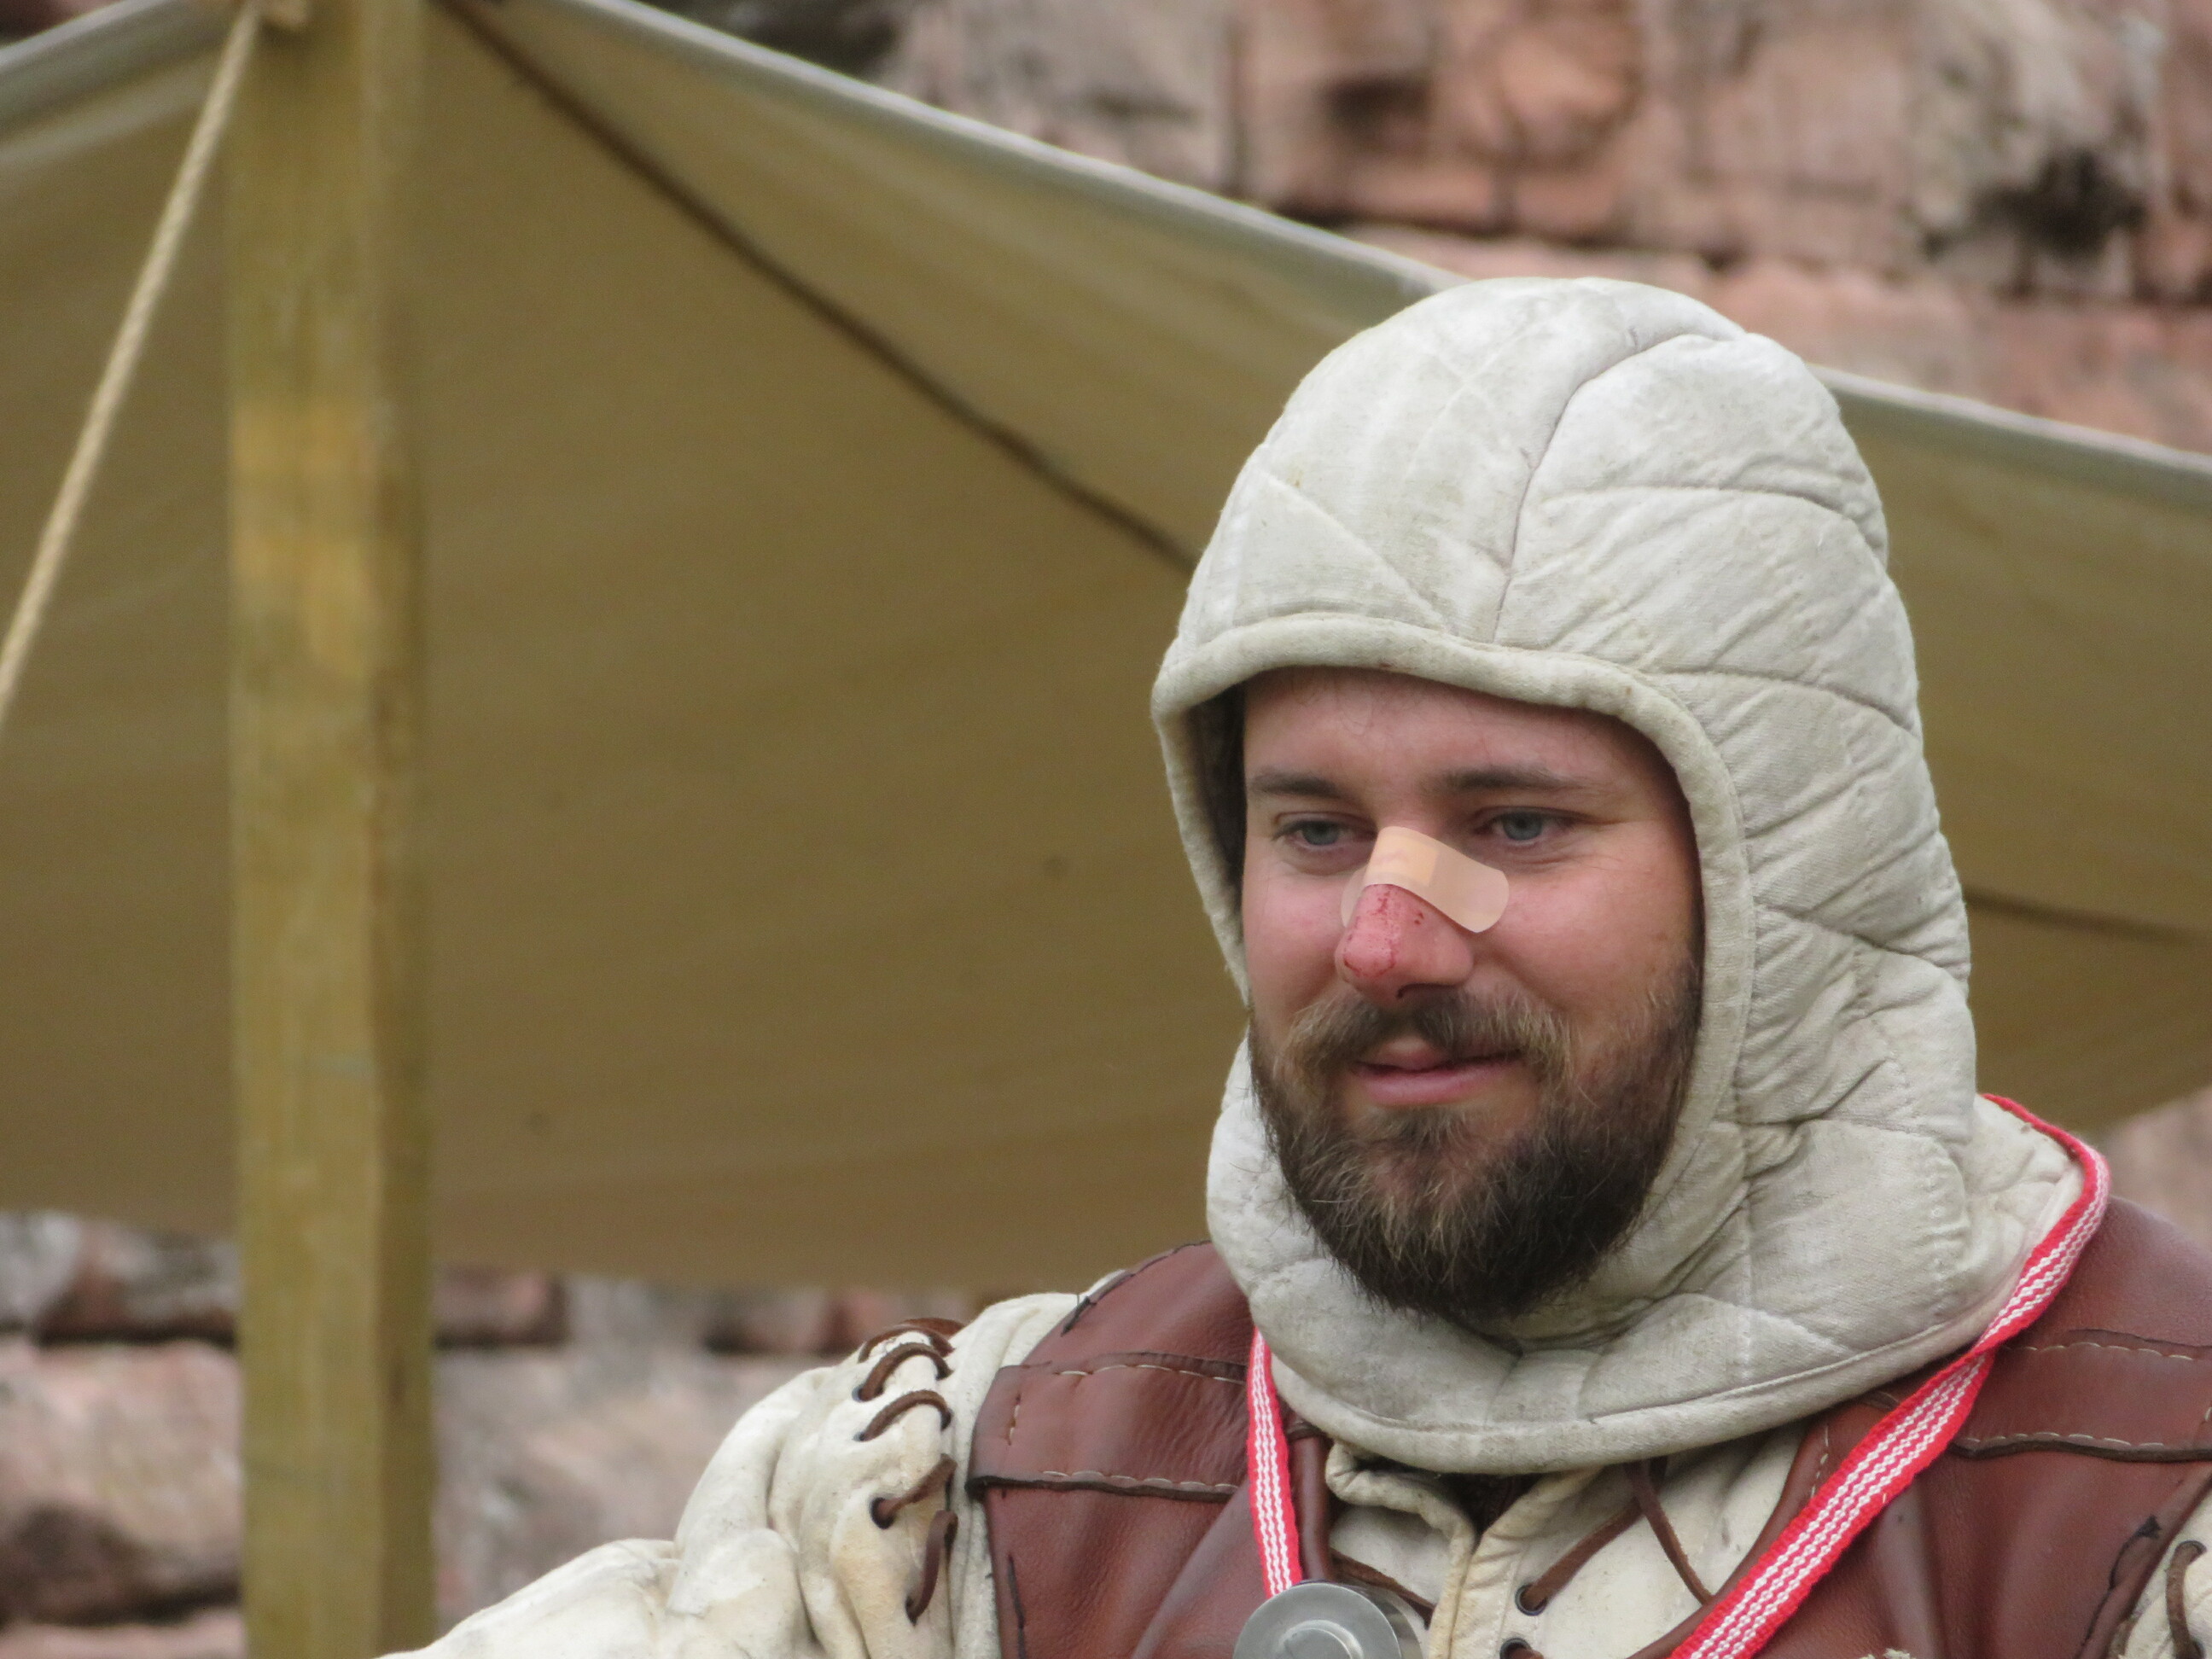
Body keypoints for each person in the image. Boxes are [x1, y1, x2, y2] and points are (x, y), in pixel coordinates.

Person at [409, 278, 2212, 1659]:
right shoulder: (976, 1500)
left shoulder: (2154, 1491)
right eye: (1319, 830)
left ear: (1790, 878)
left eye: (1514, 824)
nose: (1386, 939)